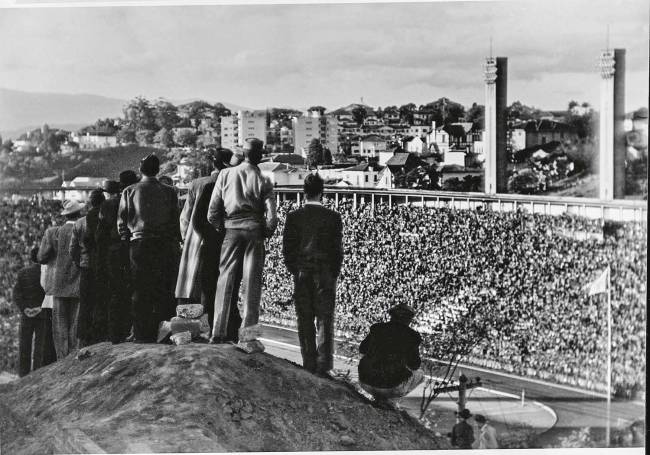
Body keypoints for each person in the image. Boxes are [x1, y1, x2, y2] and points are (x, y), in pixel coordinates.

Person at [207, 138, 277, 352]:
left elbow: (212, 211)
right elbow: (272, 217)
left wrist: (223, 226)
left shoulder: (226, 175)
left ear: (244, 153)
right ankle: (248, 338)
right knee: (252, 283)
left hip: (231, 229)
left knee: (224, 279)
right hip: (254, 230)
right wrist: (265, 231)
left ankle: (217, 332)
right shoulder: (264, 179)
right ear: (259, 155)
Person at [175, 148, 242, 340]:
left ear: (213, 163)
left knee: (201, 286)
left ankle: (203, 328)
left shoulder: (198, 184)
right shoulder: (235, 183)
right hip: (229, 239)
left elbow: (186, 217)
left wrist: (185, 240)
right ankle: (225, 328)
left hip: (199, 239)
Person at [282, 173, 343, 376]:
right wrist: (333, 273)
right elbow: (337, 250)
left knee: (304, 317)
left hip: (303, 272)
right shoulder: (333, 217)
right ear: (322, 192)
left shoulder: (294, 217)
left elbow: (288, 249)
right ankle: (324, 365)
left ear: (304, 192)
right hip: (325, 273)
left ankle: (309, 362)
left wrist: (296, 270)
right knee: (325, 318)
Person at [118, 155, 181, 342]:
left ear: (140, 169)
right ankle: (164, 332)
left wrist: (126, 241)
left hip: (139, 244)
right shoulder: (170, 192)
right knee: (163, 288)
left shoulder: (129, 191)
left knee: (140, 289)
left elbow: (122, 223)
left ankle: (141, 333)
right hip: (164, 244)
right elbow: (175, 221)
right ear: (158, 170)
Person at [38, 200, 84, 359]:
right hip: (78, 283)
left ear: (65, 215)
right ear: (79, 214)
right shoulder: (83, 229)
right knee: (75, 324)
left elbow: (41, 257)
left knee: (60, 326)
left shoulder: (52, 232)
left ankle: (61, 359)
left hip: (58, 284)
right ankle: (73, 356)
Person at [358, 302, 424, 400]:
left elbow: (362, 349)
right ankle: (390, 400)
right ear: (409, 319)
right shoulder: (413, 336)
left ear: (391, 316)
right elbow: (414, 365)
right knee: (420, 373)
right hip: (390, 386)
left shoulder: (377, 328)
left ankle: (378, 397)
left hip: (365, 380)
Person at [96, 177, 134, 344]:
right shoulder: (127, 198)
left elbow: (100, 233)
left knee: (115, 293)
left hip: (113, 252)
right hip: (129, 249)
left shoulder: (106, 205)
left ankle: (115, 334)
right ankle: (128, 330)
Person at [70, 188, 105, 347]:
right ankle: (99, 337)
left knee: (85, 304)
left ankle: (82, 340)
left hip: (86, 266)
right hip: (103, 266)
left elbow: (73, 250)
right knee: (101, 300)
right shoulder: (105, 218)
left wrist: (80, 262)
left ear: (90, 203)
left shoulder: (79, 223)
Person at [13, 247, 46, 376]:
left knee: (24, 344)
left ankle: (23, 375)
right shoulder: (45, 273)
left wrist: (25, 308)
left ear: (31, 257)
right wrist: (40, 307)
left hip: (26, 314)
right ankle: (37, 373)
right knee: (40, 344)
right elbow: (48, 292)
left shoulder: (22, 273)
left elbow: (16, 294)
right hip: (41, 313)